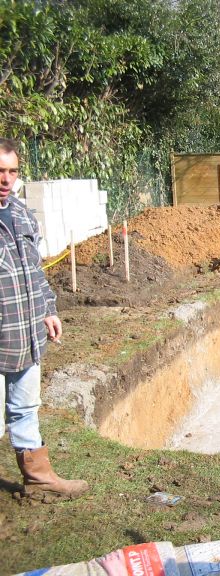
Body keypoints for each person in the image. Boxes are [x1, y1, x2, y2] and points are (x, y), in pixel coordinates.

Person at [0, 138, 88, 500]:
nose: (5, 178)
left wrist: (49, 309)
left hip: (27, 333)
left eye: (12, 171)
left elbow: (35, 272)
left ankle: (38, 478)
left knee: (25, 407)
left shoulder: (21, 214)